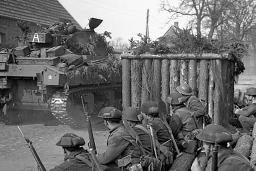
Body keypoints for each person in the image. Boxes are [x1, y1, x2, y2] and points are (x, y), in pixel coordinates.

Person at [97, 106, 144, 170]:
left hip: (131, 167)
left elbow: (105, 159)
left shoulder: (118, 135)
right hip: (134, 164)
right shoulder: (124, 129)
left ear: (106, 122)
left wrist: (94, 157)